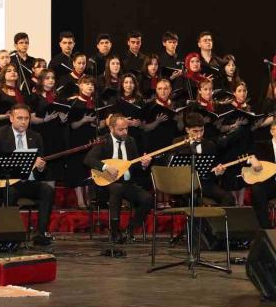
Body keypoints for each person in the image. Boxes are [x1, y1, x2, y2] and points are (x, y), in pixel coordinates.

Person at [0, 103, 55, 246]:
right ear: (11, 118)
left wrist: (41, 168)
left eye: (26, 118)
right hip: (6, 182)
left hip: (28, 182)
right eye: (20, 118)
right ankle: (10, 235)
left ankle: (41, 233)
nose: (23, 122)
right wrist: (6, 161)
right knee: (11, 192)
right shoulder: (1, 133)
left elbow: (42, 171)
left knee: (47, 190)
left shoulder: (36, 137)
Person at [84, 113, 153, 244]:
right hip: (106, 184)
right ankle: (115, 231)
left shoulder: (130, 141)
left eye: (126, 129)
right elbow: (88, 159)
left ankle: (129, 230)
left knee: (147, 199)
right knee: (117, 188)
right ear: (111, 128)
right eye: (120, 130)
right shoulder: (104, 141)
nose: (124, 132)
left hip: (127, 183)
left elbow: (134, 165)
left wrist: (144, 164)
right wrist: (106, 167)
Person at [164, 111, 234, 207]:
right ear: (187, 130)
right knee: (191, 198)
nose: (199, 135)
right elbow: (170, 167)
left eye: (202, 130)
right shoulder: (178, 143)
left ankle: (217, 217)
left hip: (204, 183)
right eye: (195, 131)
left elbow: (212, 171)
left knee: (228, 197)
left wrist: (217, 172)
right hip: (184, 183)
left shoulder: (210, 145)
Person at [65, 75, 100, 207]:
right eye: (87, 84)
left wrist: (95, 123)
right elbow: (72, 125)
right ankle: (80, 200)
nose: (90, 86)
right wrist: (84, 120)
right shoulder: (73, 102)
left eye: (92, 84)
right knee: (78, 169)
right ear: (80, 86)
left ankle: (89, 199)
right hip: (77, 139)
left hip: (91, 138)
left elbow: (100, 123)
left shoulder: (95, 103)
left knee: (89, 169)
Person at [0, 63, 24, 133]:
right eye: (9, 71)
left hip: (19, 129)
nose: (13, 72)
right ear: (3, 75)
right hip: (2, 130)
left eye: (14, 70)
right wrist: (6, 116)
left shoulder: (20, 93)